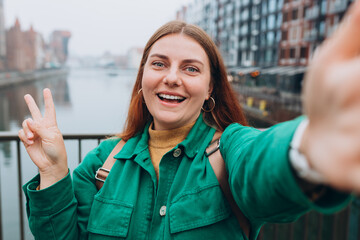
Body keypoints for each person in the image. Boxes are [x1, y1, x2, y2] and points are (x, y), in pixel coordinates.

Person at [18, 2, 360, 239]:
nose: (171, 77)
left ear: (210, 87)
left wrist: (309, 145)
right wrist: (53, 173)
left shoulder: (228, 150)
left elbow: (260, 161)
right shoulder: (100, 163)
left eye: (190, 68)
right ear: (142, 78)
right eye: (158, 64)